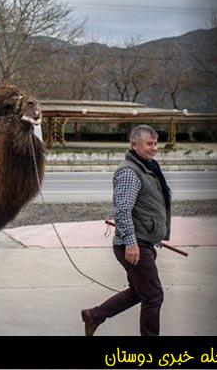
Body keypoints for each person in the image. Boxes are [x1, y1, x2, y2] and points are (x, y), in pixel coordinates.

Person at [81, 125, 171, 336]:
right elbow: (122, 211)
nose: (154, 148)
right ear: (134, 145)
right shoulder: (130, 172)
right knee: (153, 296)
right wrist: (131, 243)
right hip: (134, 244)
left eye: (156, 143)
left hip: (143, 242)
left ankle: (94, 315)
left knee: (139, 292)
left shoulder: (148, 168)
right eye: (149, 144)